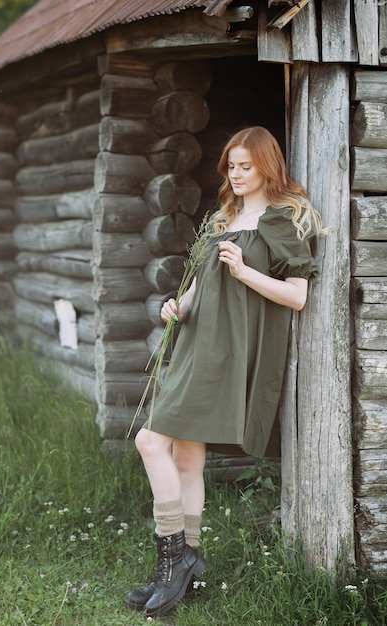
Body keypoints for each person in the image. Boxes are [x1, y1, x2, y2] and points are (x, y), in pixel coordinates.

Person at [125, 126, 325, 619]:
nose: (235, 175)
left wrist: (246, 272)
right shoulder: (223, 218)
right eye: (230, 166)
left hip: (227, 350)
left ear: (266, 167)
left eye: (245, 166)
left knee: (149, 441)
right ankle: (180, 570)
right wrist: (179, 306)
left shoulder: (282, 218)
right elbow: (202, 290)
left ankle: (176, 562)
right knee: (187, 458)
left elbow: (298, 296)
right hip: (196, 341)